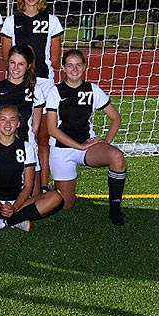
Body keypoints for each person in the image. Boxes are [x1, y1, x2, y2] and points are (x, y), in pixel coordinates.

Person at [46, 49, 126, 225]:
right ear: (64, 68)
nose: (74, 69)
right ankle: (55, 187)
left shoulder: (92, 89)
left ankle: (114, 209)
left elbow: (115, 118)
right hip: (62, 149)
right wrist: (79, 146)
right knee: (66, 204)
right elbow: (52, 130)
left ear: (84, 67)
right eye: (70, 65)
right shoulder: (55, 91)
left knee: (117, 157)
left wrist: (106, 142)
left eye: (78, 65)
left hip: (87, 147)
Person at [1, 0, 63, 193]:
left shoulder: (52, 21)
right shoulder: (11, 21)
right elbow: (7, 56)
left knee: (43, 136)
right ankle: (15, 180)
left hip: (44, 82)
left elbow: (55, 59)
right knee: (20, 131)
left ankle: (43, 183)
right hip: (20, 83)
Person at [0, 105, 63, 232]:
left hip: (20, 202)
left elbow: (28, 185)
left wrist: (14, 207)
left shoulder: (26, 147)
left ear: (18, 124)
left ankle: (4, 221)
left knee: (55, 197)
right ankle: (15, 220)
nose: (7, 124)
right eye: (3, 119)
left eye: (12, 120)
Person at [0, 44, 45, 193]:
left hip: (26, 145)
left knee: (33, 198)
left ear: (28, 66)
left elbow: (35, 126)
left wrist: (26, 144)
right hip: (0, 145)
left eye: (21, 64)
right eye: (12, 62)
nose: (16, 67)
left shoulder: (35, 90)